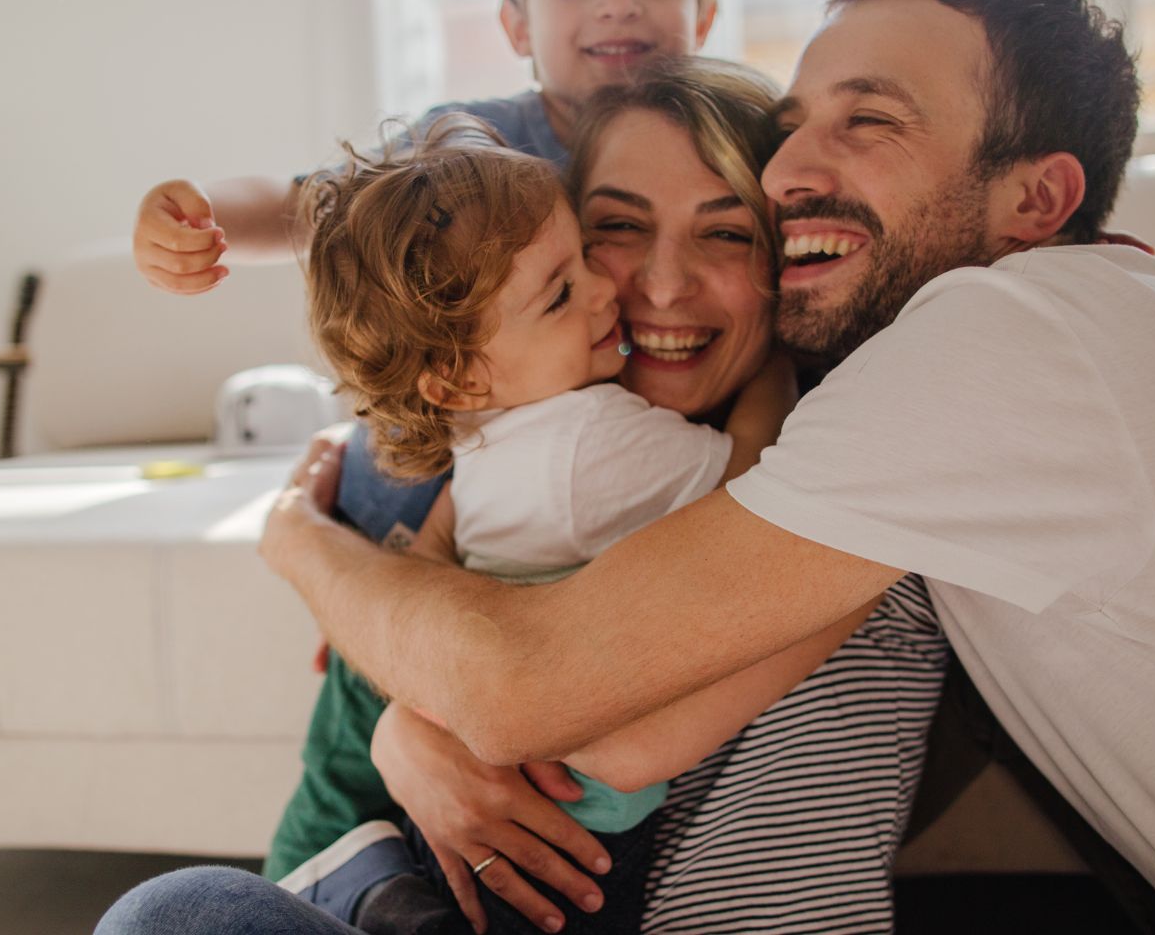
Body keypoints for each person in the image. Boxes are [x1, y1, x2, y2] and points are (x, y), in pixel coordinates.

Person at [259, 0, 1155, 935]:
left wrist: (300, 544)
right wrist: (402, 716)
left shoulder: (999, 342)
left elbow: (542, 696)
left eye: (866, 121)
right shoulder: (951, 391)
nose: (795, 166)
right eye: (794, 124)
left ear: (1039, 199)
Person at [96, 60, 950, 935]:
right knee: (179, 913)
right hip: (452, 854)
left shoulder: (841, 500)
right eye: (613, 229)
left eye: (727, 235)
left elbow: (586, 725)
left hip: (584, 894)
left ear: (788, 259)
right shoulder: (515, 439)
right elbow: (315, 208)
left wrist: (305, 547)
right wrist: (408, 717)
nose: (646, 287)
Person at [128, 0, 720, 294]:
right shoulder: (466, 141)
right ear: (517, 27)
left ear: (705, 20)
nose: (617, 4)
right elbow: (312, 206)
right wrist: (202, 214)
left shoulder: (733, 145)